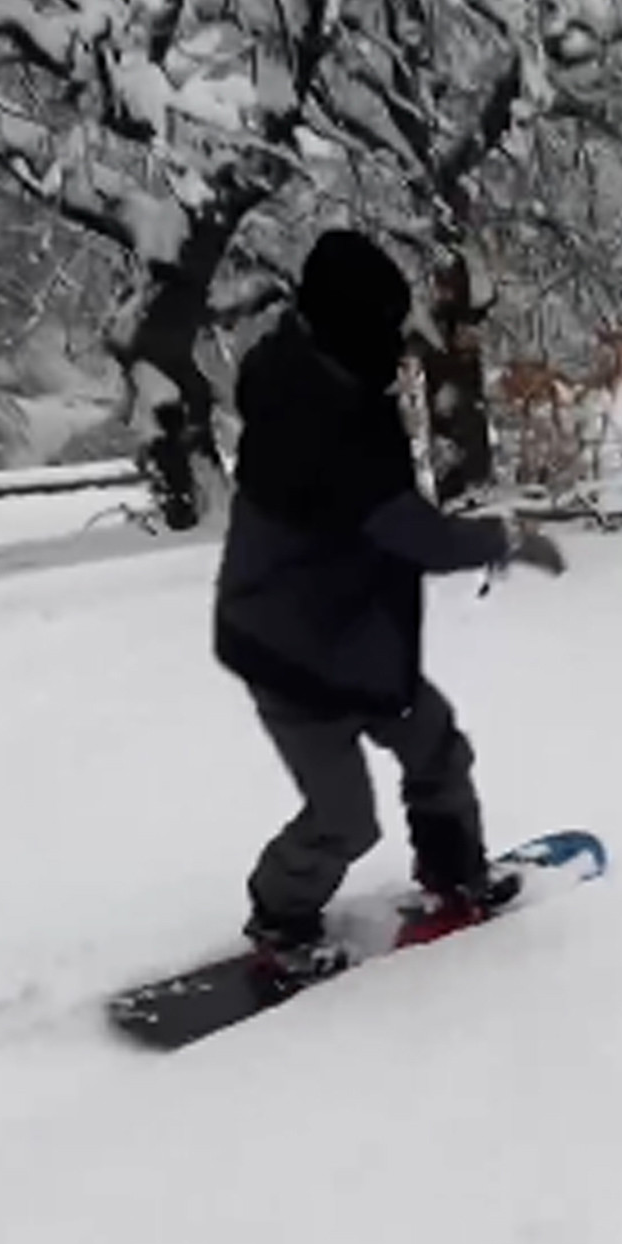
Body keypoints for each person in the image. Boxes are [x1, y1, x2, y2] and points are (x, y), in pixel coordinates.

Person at [214, 227, 565, 970]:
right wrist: (505, 538)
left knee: (437, 745)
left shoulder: (320, 373)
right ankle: (280, 922)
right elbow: (414, 533)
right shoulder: (314, 417)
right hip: (291, 655)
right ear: (350, 321)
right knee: (344, 818)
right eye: (385, 322)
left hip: (354, 638)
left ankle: (454, 877)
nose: (398, 342)